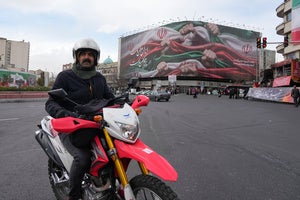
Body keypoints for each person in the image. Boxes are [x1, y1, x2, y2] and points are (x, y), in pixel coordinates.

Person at [45, 38, 115, 200]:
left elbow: (110, 99)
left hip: (97, 125)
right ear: (76, 57)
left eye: (90, 54)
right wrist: (68, 115)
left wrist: (127, 103)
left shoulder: (99, 78)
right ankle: (74, 196)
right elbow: (51, 102)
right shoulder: (65, 77)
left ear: (96, 58)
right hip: (71, 127)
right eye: (82, 53)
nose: (86, 57)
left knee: (115, 150)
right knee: (82, 158)